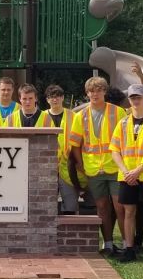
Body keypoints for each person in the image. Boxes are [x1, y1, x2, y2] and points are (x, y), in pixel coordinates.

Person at [110, 83, 143, 264]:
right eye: (132, 97)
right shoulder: (123, 122)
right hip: (126, 175)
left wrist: (138, 170)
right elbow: (114, 149)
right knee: (128, 212)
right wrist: (126, 171)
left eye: (138, 97)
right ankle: (129, 248)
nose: (135, 101)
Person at [73, 75, 126, 254]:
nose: (94, 94)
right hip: (93, 168)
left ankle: (128, 243)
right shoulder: (80, 116)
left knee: (120, 206)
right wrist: (81, 165)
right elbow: (75, 145)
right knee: (102, 207)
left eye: (98, 90)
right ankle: (108, 243)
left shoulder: (118, 112)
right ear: (87, 94)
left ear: (104, 91)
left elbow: (125, 141)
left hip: (115, 167)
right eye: (91, 91)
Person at [43, 85, 82, 215]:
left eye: (58, 97)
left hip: (68, 166)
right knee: (46, 204)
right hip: (47, 166)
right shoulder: (41, 116)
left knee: (70, 204)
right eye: (52, 97)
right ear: (47, 100)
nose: (55, 100)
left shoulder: (74, 116)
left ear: (63, 98)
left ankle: (69, 234)